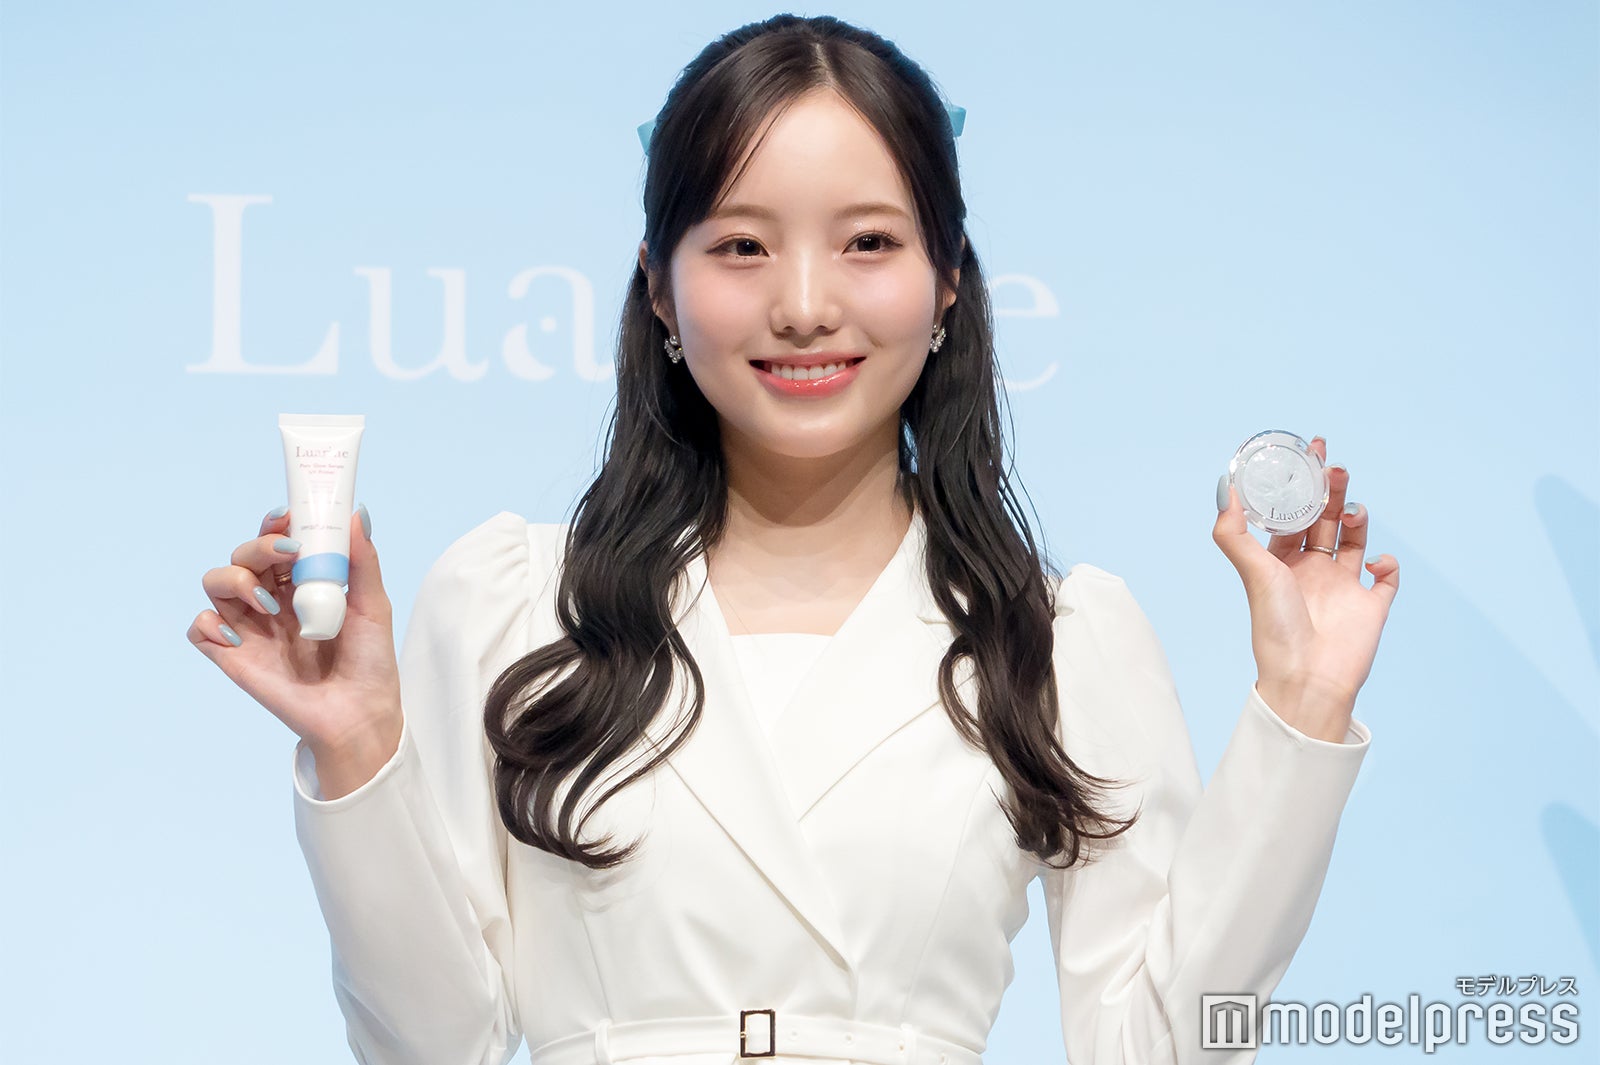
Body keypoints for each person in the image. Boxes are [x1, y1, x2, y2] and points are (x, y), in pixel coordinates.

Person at [187, 14, 1399, 1065]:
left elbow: (1158, 1047)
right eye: (741, 246)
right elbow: (433, 1046)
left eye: (867, 242)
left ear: (948, 281)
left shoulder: (1058, 639)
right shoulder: (514, 605)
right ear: (659, 287)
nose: (805, 304)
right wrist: (359, 750)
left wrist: (1300, 709)